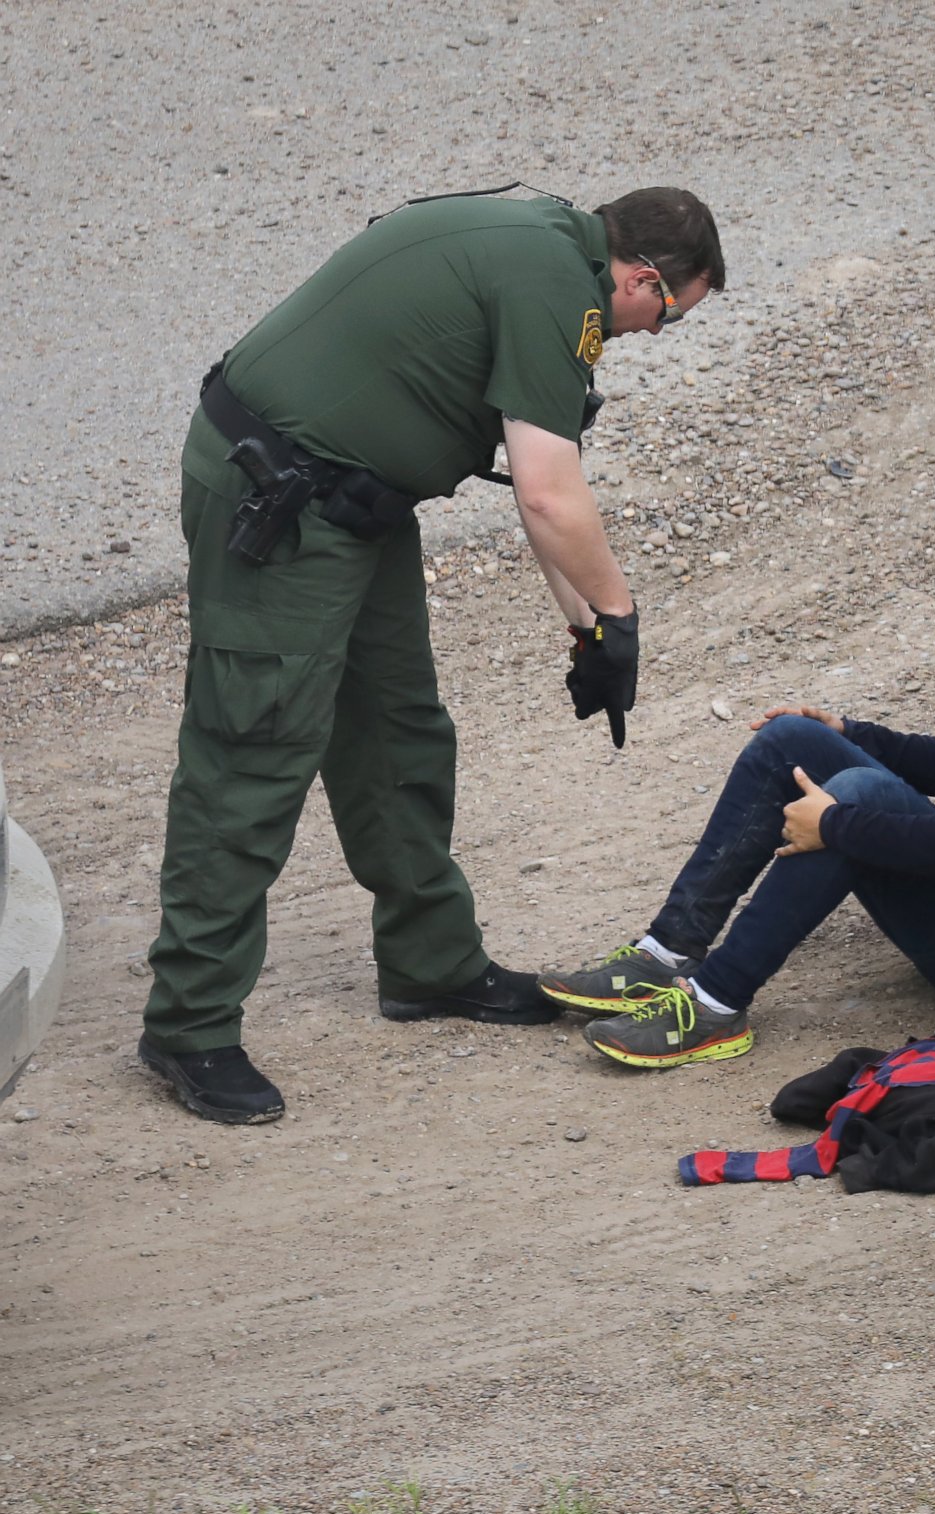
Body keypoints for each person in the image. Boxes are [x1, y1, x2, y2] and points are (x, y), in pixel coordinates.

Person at [139, 186, 723, 1124]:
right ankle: (188, 1024)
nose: (653, 335)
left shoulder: (543, 251)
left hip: (353, 500)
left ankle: (431, 965)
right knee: (251, 754)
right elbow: (547, 494)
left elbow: (545, 485)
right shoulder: (552, 290)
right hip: (279, 500)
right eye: (666, 315)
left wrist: (587, 630)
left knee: (398, 731)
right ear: (642, 276)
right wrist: (621, 613)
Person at [543, 475, 935, 1065]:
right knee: (790, 740)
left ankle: (713, 1005)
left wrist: (836, 825)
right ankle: (665, 953)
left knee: (856, 797)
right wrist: (849, 733)